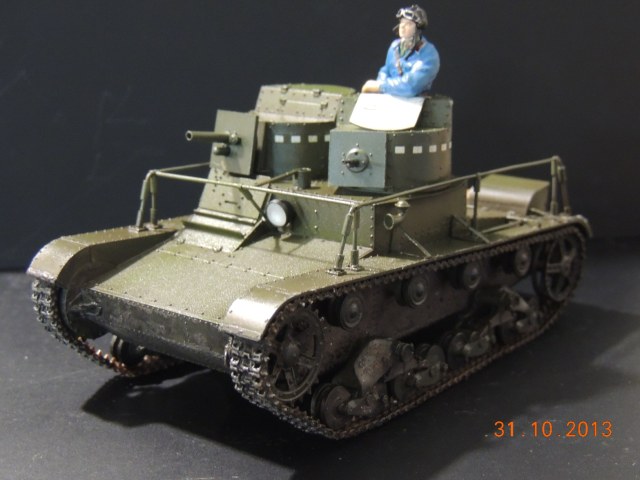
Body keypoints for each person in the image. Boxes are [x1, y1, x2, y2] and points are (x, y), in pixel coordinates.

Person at [362, 5, 440, 97]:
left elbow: (411, 86)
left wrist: (380, 86)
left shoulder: (428, 53)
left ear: (418, 28)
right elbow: (386, 70)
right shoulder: (395, 47)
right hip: (389, 97)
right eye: (402, 22)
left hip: (415, 101)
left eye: (408, 24)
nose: (402, 26)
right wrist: (380, 84)